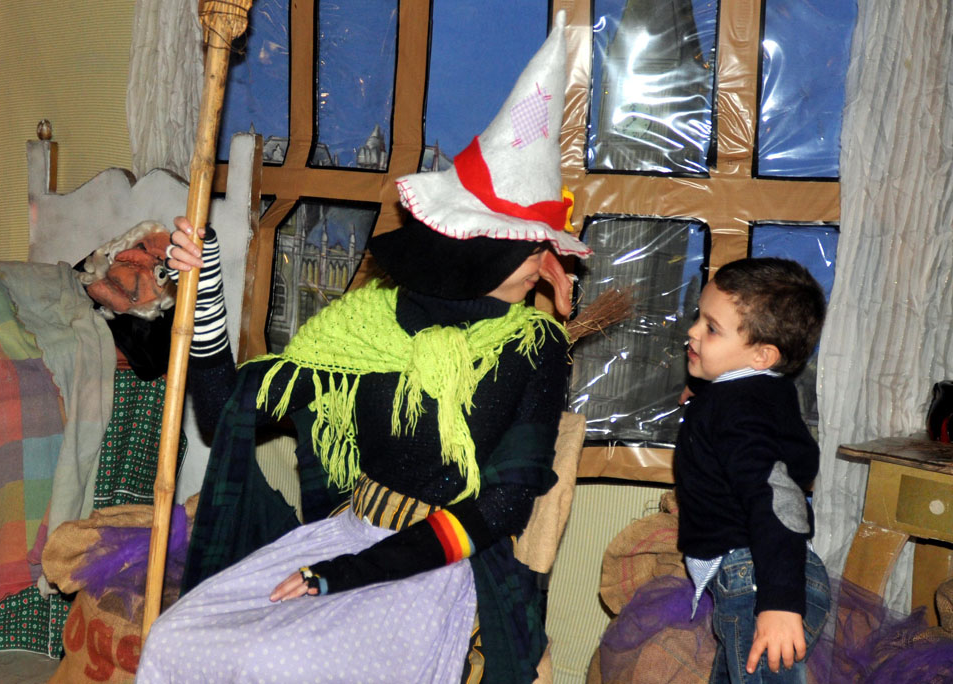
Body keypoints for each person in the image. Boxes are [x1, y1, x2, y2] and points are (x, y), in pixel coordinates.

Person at [138, 12, 589, 682]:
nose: (551, 264)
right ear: (484, 248)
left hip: (439, 565)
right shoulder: (368, 325)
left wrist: (348, 574)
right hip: (345, 532)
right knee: (173, 638)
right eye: (537, 247)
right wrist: (204, 294)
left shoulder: (532, 347)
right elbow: (225, 409)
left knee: (274, 662)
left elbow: (502, 505)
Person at [673, 257, 830, 683]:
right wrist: (705, 391)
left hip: (759, 579)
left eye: (711, 328)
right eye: (698, 318)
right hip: (757, 572)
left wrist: (779, 601)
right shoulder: (759, 393)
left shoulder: (738, 410)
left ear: (762, 355)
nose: (693, 332)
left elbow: (776, 499)